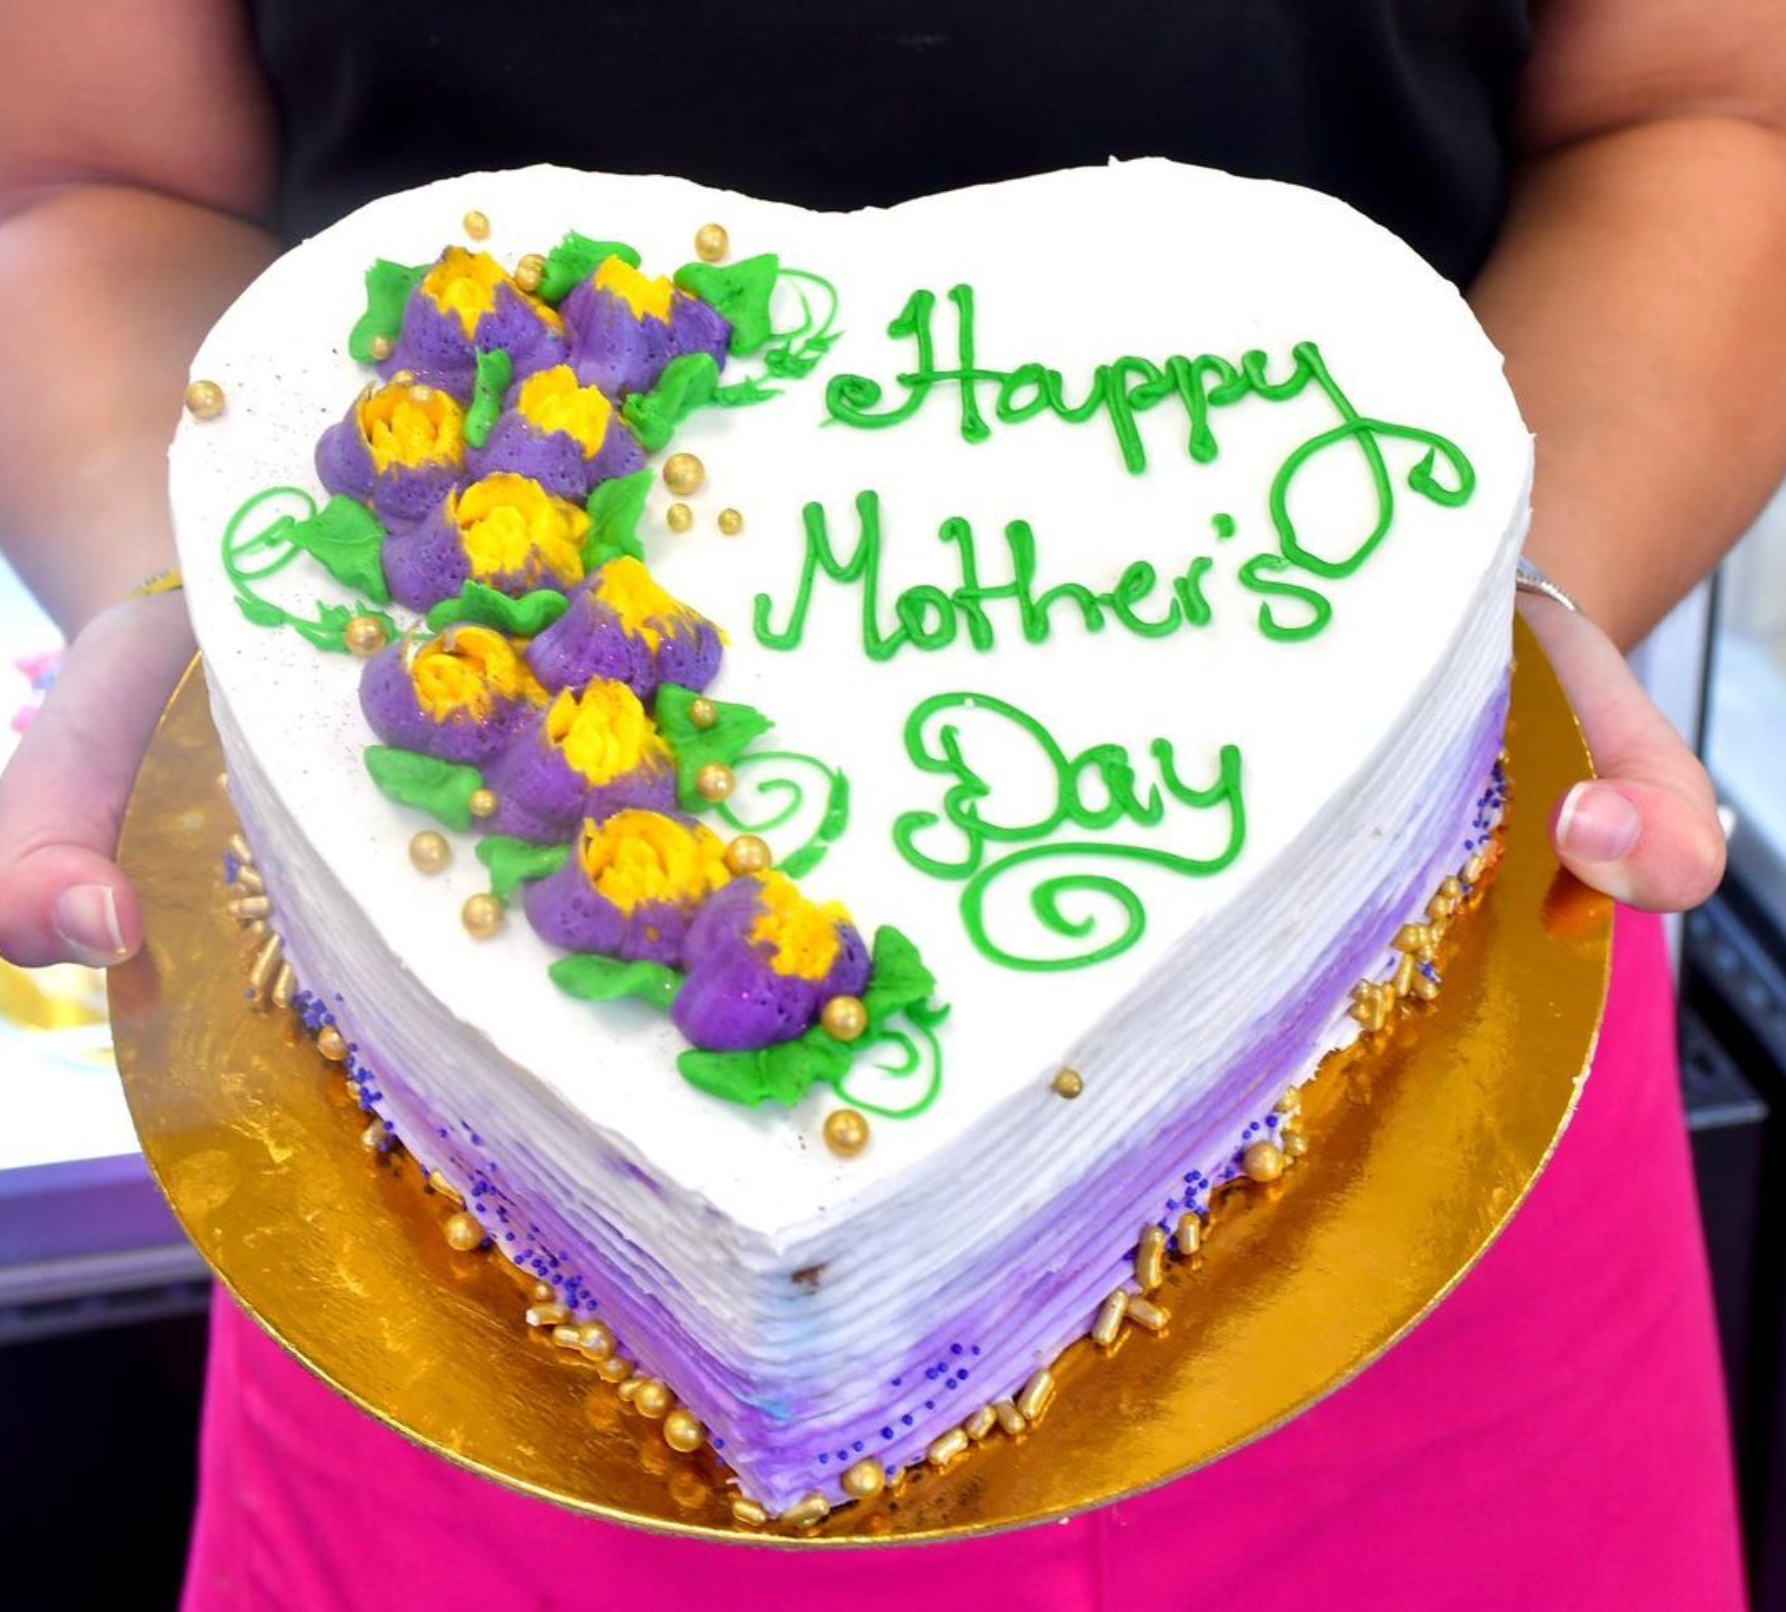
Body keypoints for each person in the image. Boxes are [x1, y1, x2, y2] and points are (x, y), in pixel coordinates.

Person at [0, 0, 1770, 1605]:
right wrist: (179, 603)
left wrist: (1511, 607)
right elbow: (82, 178)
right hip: (504, 1120)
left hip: (1383, 991)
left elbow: (1712, 109)